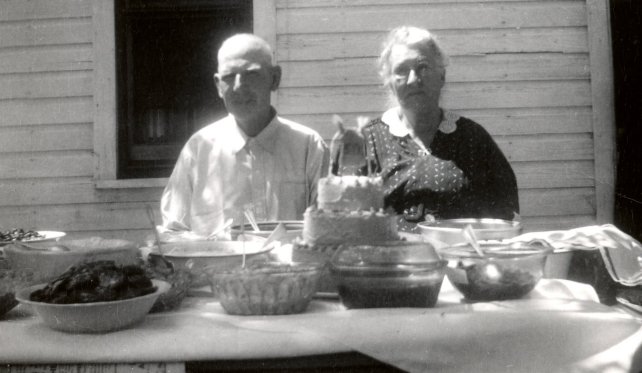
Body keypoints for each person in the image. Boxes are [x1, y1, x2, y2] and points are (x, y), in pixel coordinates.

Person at [160, 33, 329, 237]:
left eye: (251, 74)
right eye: (229, 77)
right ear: (218, 86)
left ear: (275, 79)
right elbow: (172, 232)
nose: (239, 86)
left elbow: (326, 231)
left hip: (290, 269)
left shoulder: (309, 147)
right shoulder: (198, 149)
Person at [361, 26, 519, 231]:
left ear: (442, 76)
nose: (413, 79)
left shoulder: (474, 139)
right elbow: (342, 221)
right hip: (389, 262)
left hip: (459, 260)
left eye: (423, 67)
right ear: (389, 83)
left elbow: (505, 219)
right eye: (401, 70)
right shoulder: (366, 141)